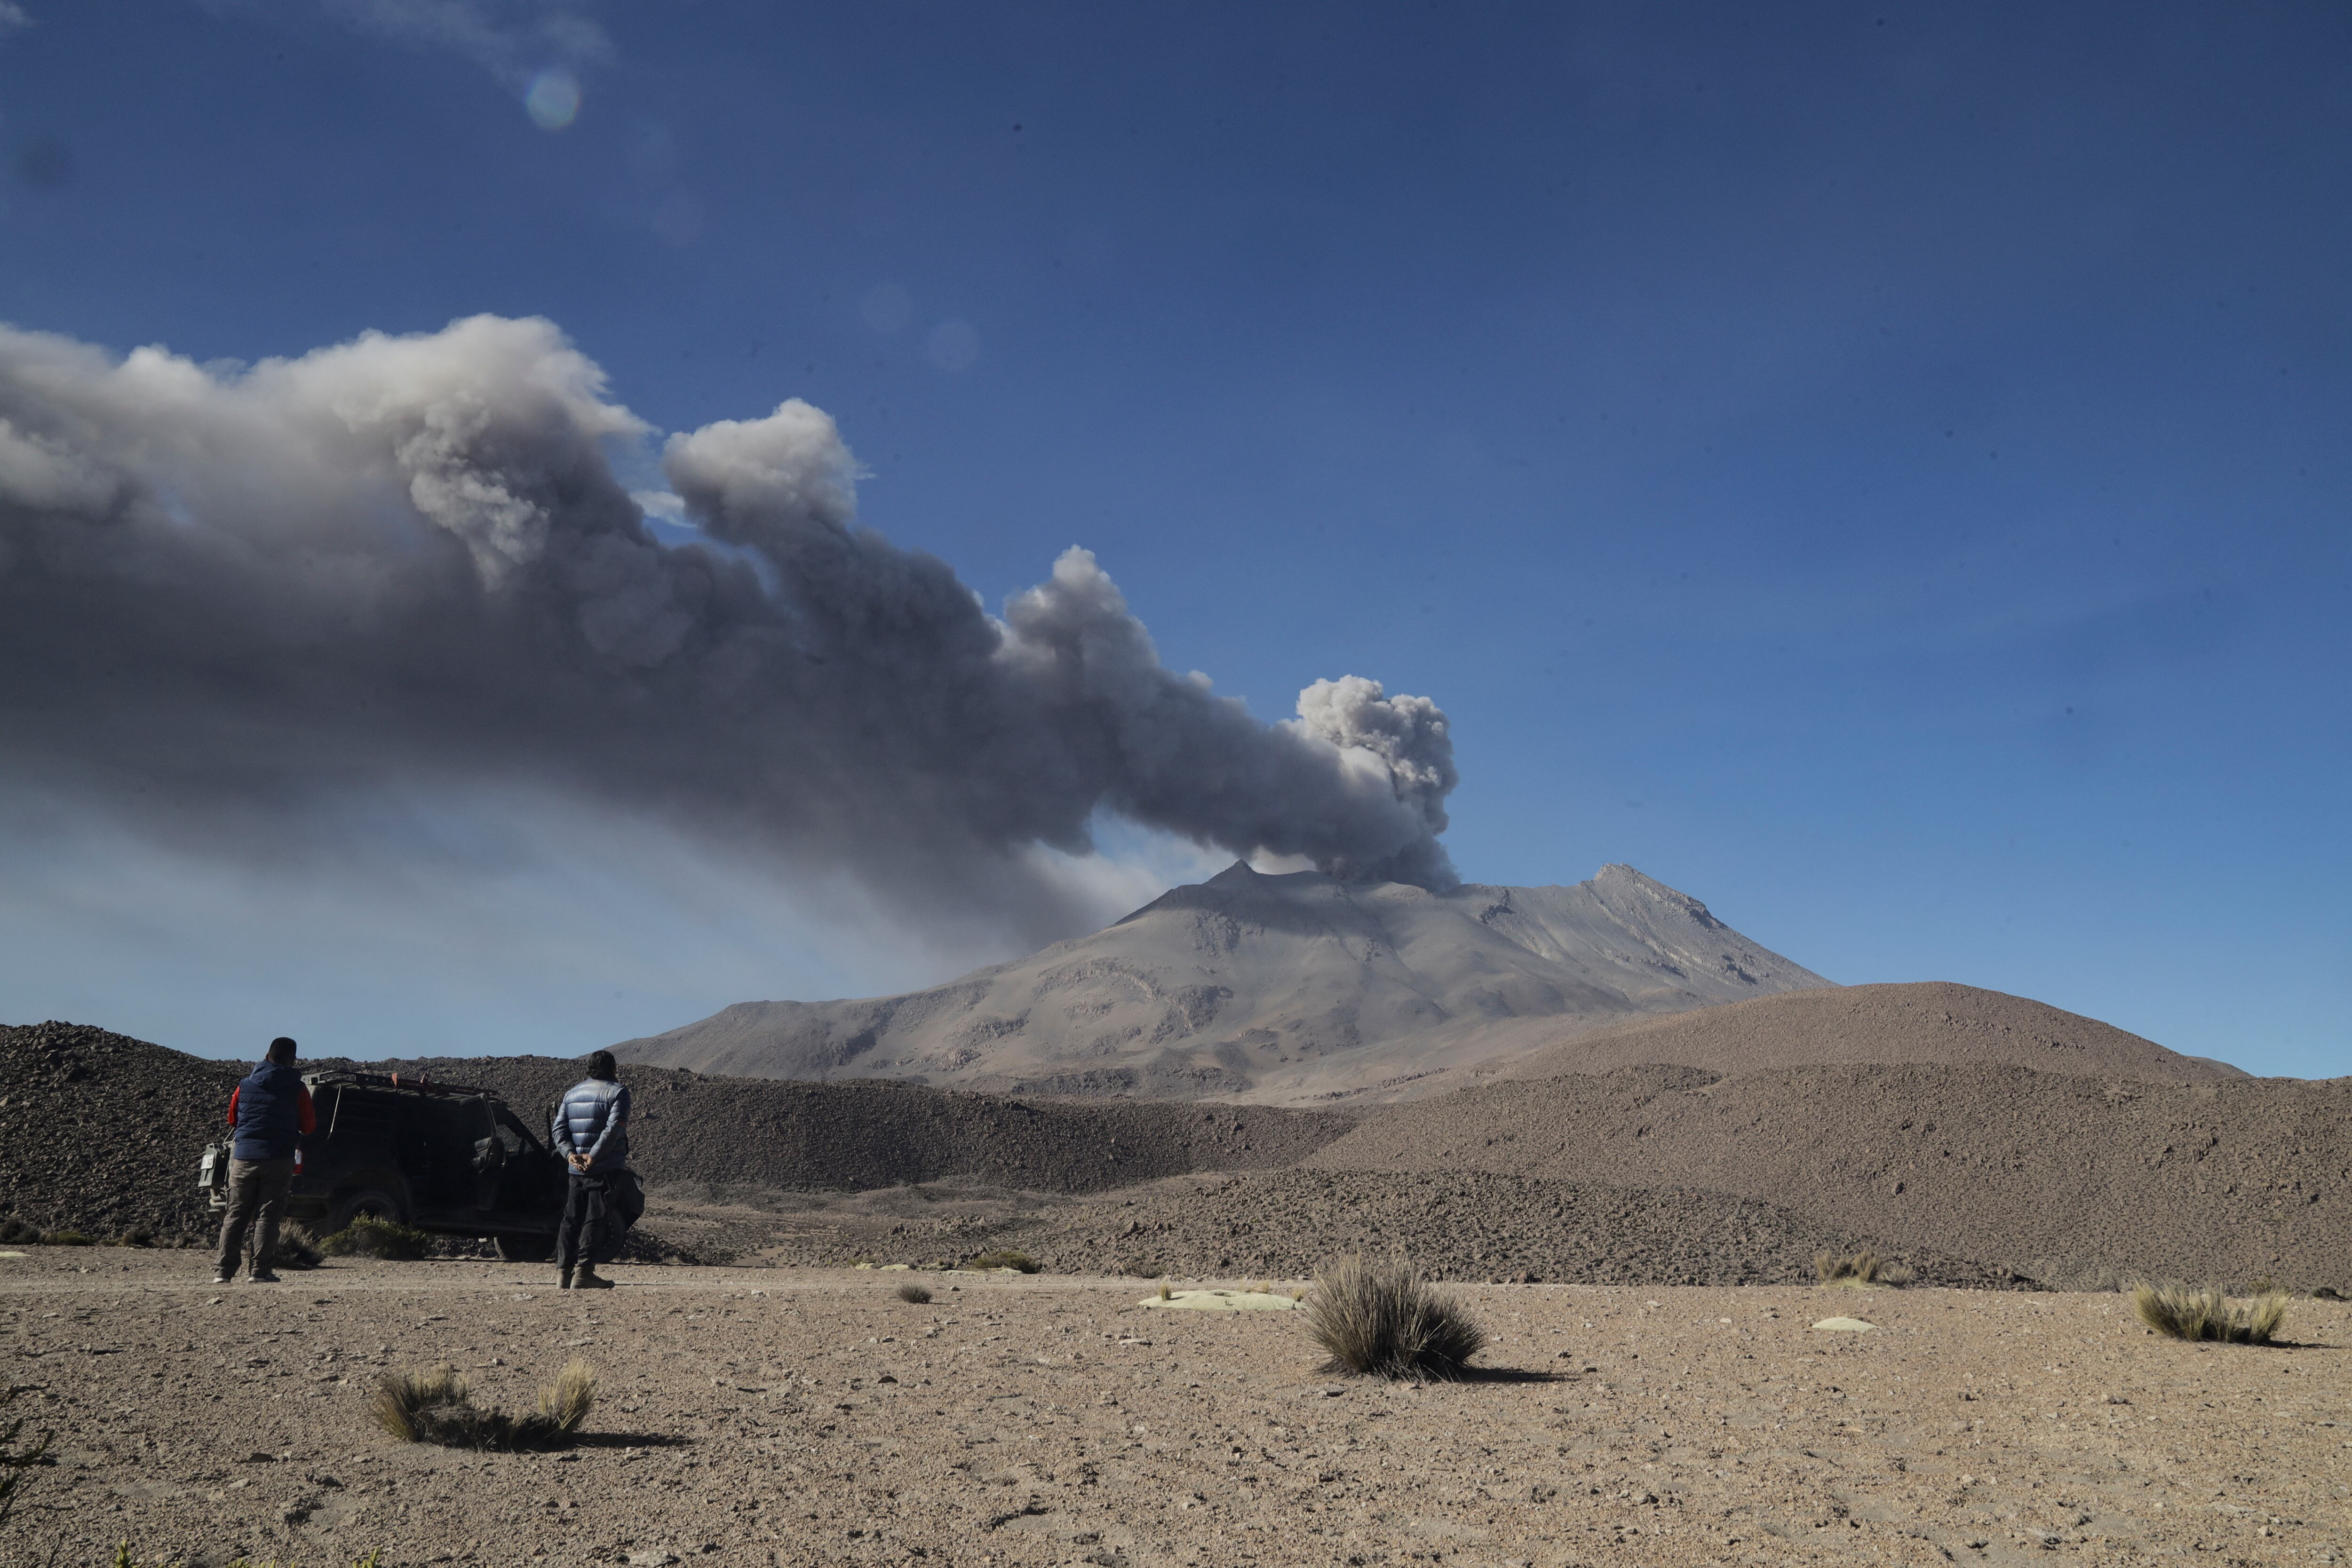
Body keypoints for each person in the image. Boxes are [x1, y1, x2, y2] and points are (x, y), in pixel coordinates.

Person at [214, 1037, 316, 1285]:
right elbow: (309, 1127)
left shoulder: (245, 1085)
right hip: (278, 1159)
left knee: (235, 1214)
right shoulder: (298, 1089)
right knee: (267, 1216)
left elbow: (232, 1120)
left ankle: (223, 1273)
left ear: (266, 1056)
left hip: (243, 1158)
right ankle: (259, 1272)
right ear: (293, 1061)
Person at [550, 1050, 632, 1290]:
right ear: (613, 1068)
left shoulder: (572, 1093)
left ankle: (562, 1274)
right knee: (595, 1218)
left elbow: (559, 1129)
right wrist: (593, 1157)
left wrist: (570, 1155)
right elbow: (614, 1129)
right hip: (605, 1167)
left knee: (571, 1218)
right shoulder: (618, 1092)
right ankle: (584, 1273)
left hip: (576, 1169)